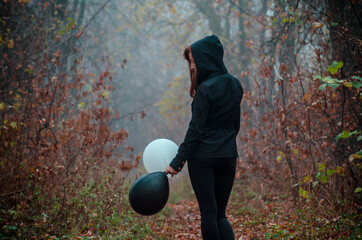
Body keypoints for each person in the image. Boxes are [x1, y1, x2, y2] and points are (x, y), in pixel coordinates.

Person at [164, 35, 243, 240]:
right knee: (221, 214)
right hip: (228, 156)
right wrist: (225, 144)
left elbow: (195, 130)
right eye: (190, 60)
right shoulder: (235, 84)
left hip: (203, 159)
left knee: (209, 213)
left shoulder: (205, 90)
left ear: (205, 58)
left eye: (193, 59)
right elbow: (235, 125)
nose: (191, 65)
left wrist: (177, 162)